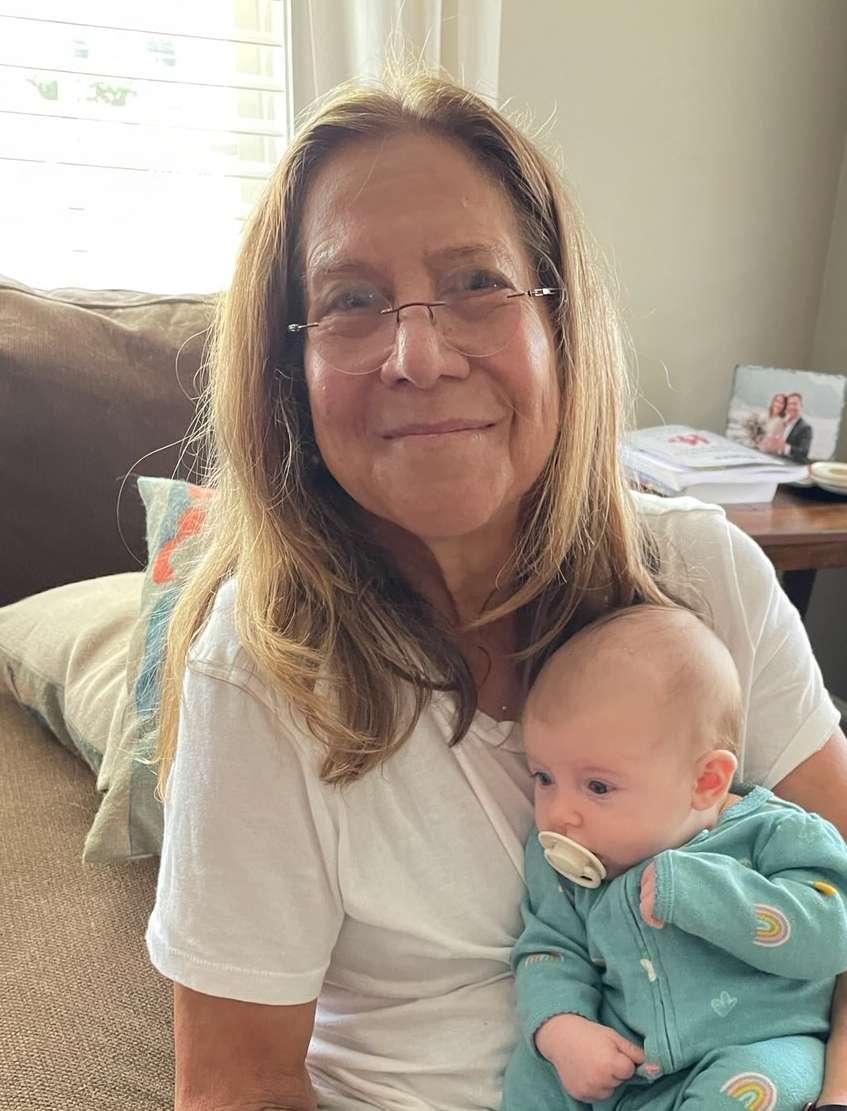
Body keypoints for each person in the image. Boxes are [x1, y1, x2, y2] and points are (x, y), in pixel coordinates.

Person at [143, 69, 847, 1111]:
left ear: (558, 324)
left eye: (476, 282)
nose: (418, 356)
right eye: (350, 300)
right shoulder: (261, 676)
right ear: (288, 373)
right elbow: (236, 1088)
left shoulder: (706, 574)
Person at [503, 605, 847, 1111]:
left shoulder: (774, 832)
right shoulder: (563, 859)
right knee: (534, 1071)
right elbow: (549, 948)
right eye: (544, 778)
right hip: (627, 1065)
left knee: (754, 1088)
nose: (558, 814)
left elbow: (832, 935)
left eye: (597, 786)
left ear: (706, 781)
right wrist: (563, 1030)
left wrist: (703, 892)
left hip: (758, 1048)